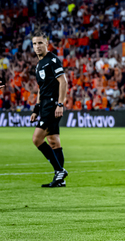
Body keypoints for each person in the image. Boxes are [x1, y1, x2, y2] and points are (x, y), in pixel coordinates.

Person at [31, 31, 68, 187]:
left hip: (52, 105)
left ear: (46, 43)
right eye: (34, 44)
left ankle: (59, 170)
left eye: (40, 43)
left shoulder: (52, 60)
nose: (37, 46)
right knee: (53, 141)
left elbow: (63, 82)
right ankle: (59, 180)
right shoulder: (39, 63)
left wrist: (60, 104)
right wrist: (36, 109)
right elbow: (41, 88)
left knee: (37, 139)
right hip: (45, 105)